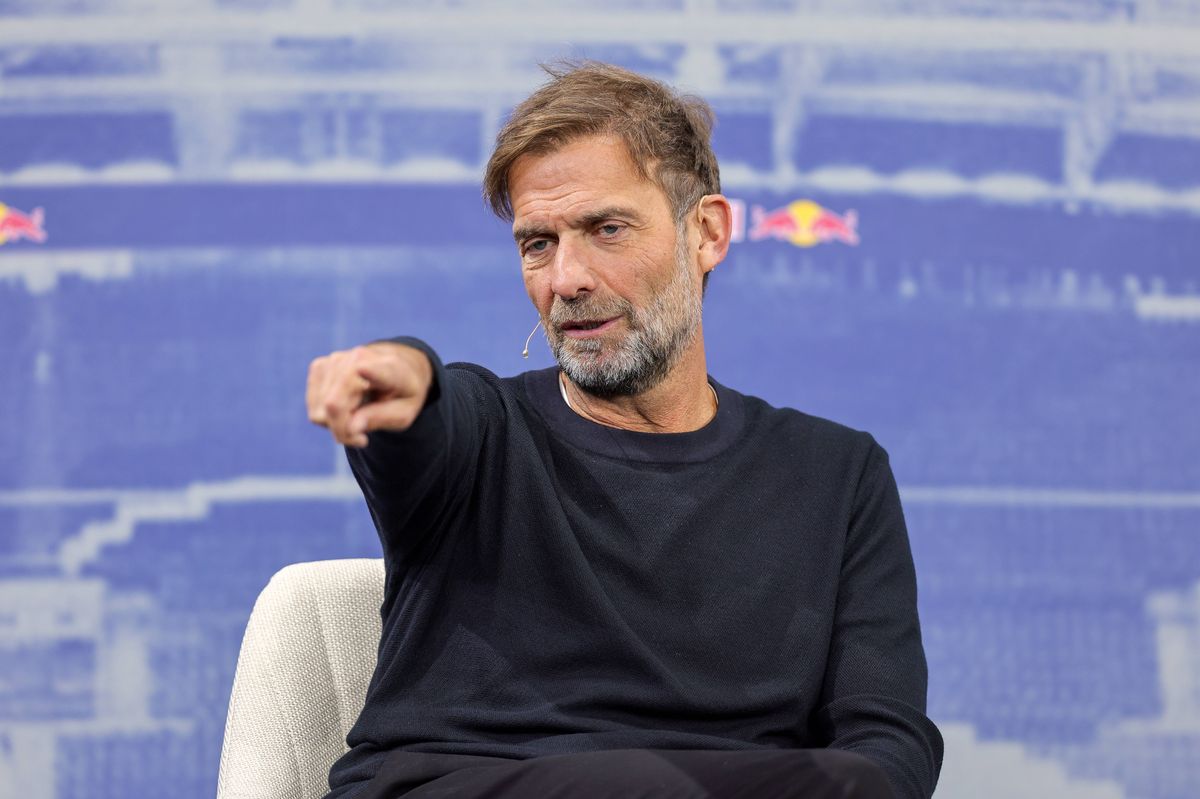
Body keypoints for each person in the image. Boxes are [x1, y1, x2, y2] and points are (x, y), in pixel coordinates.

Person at [306, 61, 943, 799]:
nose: (566, 278)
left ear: (705, 232)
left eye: (606, 229)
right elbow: (428, 414)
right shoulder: (477, 436)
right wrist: (404, 373)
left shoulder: (839, 474)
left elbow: (886, 749)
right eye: (537, 243)